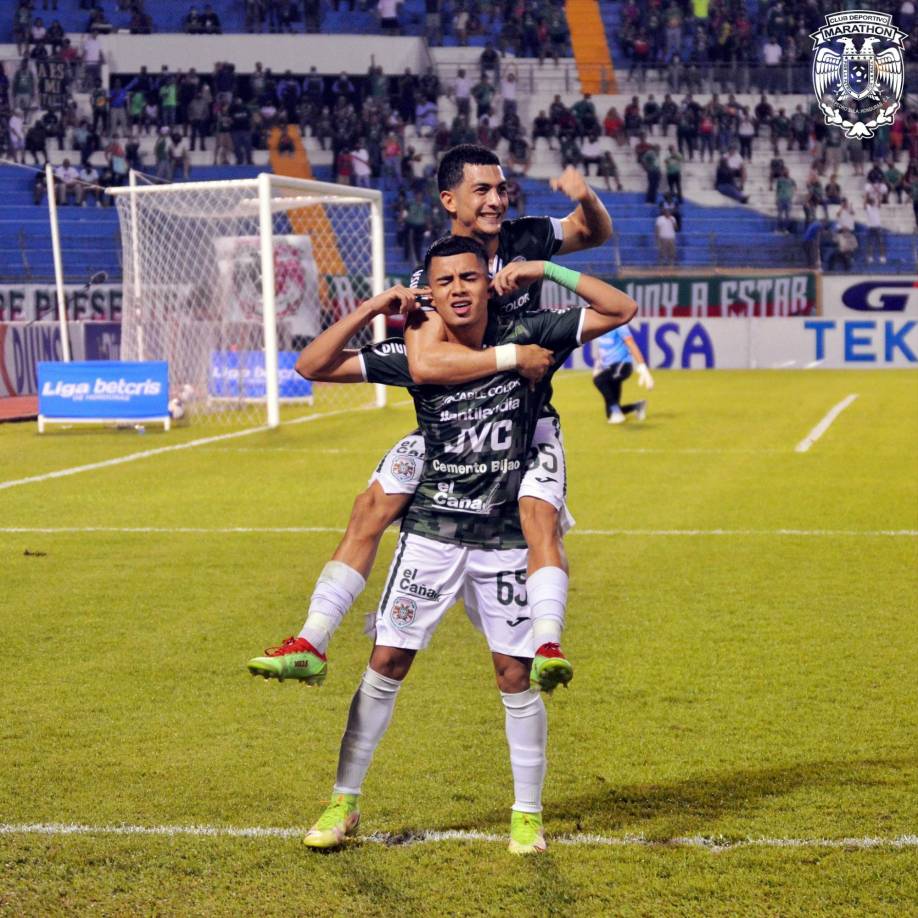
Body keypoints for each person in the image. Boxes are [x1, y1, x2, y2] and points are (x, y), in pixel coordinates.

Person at [290, 235, 636, 854]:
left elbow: (620, 310)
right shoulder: (416, 350)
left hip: (504, 535)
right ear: (430, 289)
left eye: (469, 278)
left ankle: (526, 814)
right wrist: (373, 308)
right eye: (445, 280)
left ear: (487, 282)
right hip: (432, 533)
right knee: (387, 662)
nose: (457, 289)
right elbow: (312, 365)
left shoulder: (533, 328)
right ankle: (343, 803)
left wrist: (548, 268)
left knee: (515, 674)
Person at [247, 144, 612, 694]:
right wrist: (510, 356)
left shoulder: (529, 238)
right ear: (450, 200)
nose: (496, 200)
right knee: (371, 504)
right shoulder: (432, 278)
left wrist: (584, 196)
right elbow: (421, 363)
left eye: (500, 189)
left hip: (525, 423)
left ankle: (546, 643)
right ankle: (312, 639)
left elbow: (594, 233)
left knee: (537, 521)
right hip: (453, 426)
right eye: (482, 191)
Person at [592, 325, 653, 424]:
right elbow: (601, 349)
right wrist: (597, 366)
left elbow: (631, 344)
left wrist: (642, 367)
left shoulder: (619, 325)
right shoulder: (600, 326)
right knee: (610, 414)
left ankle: (617, 412)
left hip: (622, 365)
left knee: (599, 380)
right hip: (609, 368)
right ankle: (637, 406)